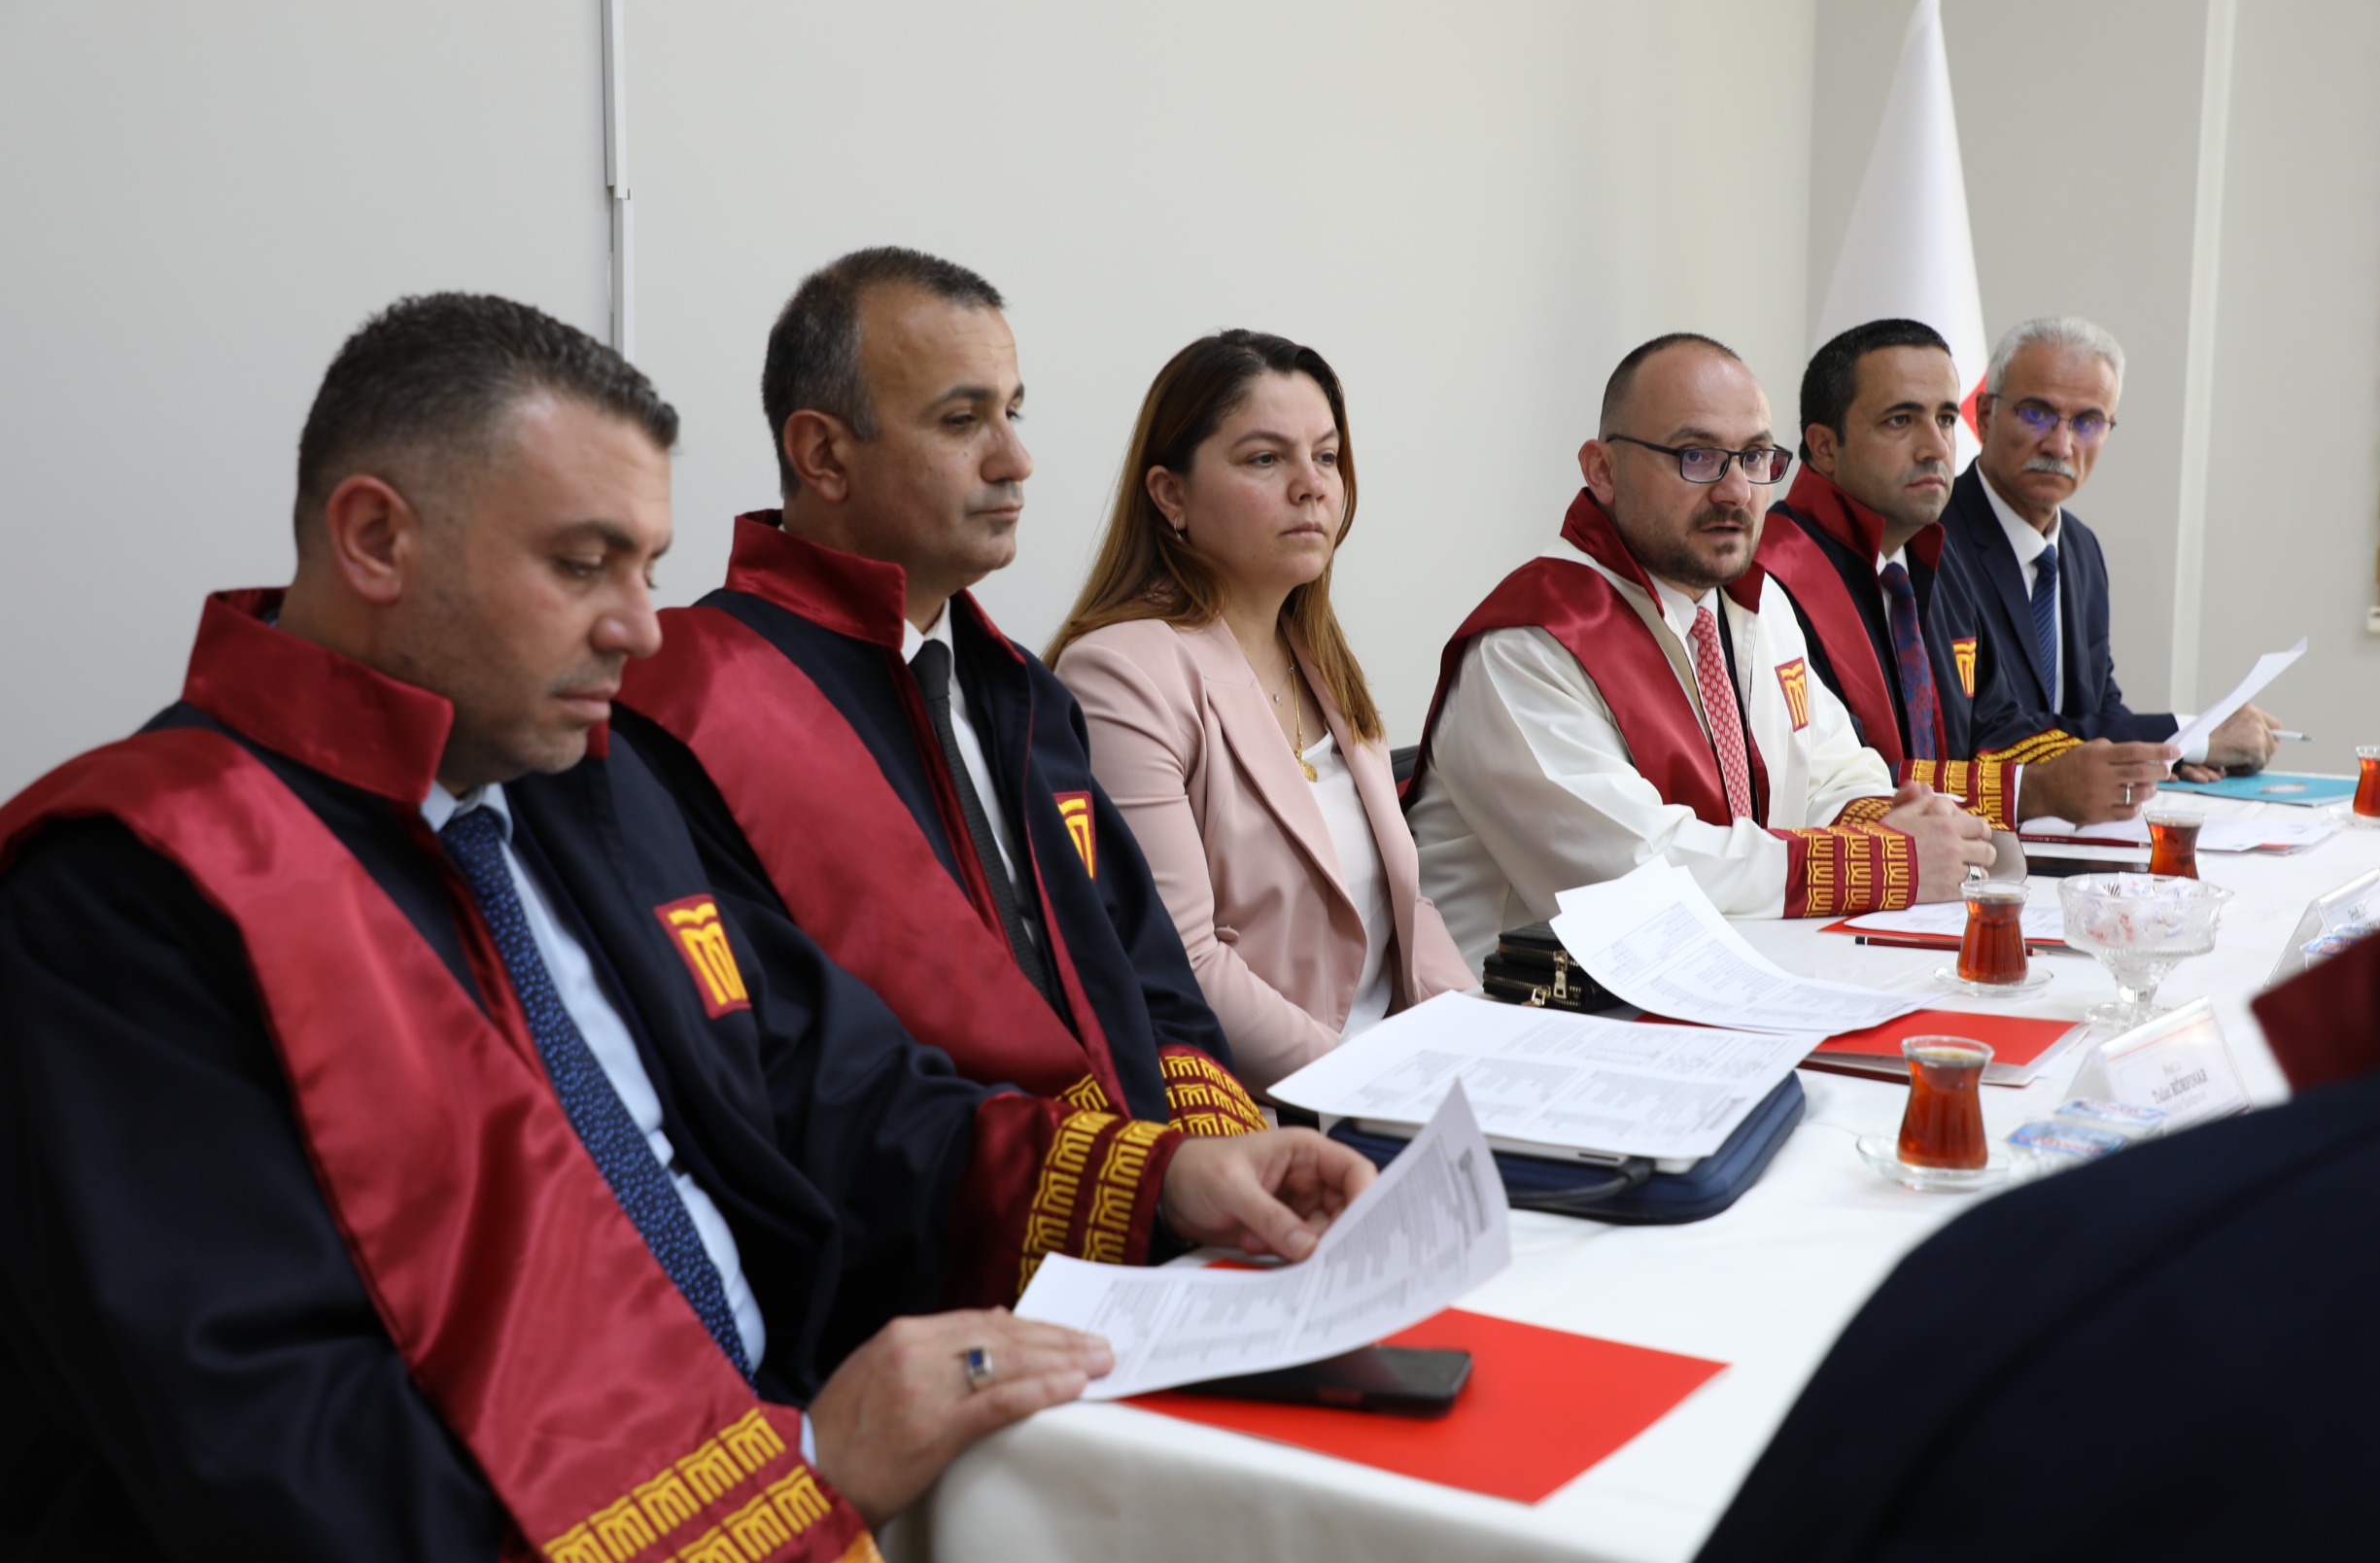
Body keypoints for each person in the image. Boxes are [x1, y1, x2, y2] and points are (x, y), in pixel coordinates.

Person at [0, 294, 1374, 1558]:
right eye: (581, 563)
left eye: (648, 566)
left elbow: (844, 1094)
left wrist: (1168, 1175)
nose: (642, 629)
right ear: (375, 540)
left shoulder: (575, 783)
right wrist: (807, 1464)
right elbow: (265, 1434)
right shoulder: (129, 890)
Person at [1693, 571, 2380, 1560]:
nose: (1741, 500)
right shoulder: (1796, 575)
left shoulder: (2038, 1297)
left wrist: (1914, 827)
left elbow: (1876, 770)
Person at [616, 249, 1263, 1139]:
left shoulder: (1024, 693)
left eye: (1012, 412)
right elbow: (788, 1060)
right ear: (823, 455)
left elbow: (1148, 974)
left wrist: (1213, 1156)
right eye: (963, 421)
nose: (1016, 460)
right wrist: (1138, 1179)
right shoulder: (690, 703)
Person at [1406, 332, 1997, 967]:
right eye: (1697, 456)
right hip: (1529, 1011)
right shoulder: (1529, 645)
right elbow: (1636, 875)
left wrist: (1891, 821)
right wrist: (1880, 862)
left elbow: (1828, 769)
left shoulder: (1756, 605)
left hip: (1724, 977)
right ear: (1602, 471)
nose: (1736, 491)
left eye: (1755, 457)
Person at [1045, 330, 1474, 1093]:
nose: (1312, 486)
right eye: (1266, 459)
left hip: (1394, 1087)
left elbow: (1408, 910)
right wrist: (1375, 1085)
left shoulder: (1321, 659)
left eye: (1327, 456)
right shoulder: (1119, 670)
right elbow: (1182, 962)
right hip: (1264, 1114)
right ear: (1171, 495)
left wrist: (1485, 1046)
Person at [1744, 318, 2175, 828]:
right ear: (1824, 447)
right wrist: (2031, 791)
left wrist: (2093, 765)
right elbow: (1837, 780)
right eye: (1901, 420)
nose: (1937, 448)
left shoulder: (1932, 553)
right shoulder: (1768, 578)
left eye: (1946, 419)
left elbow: (1992, 725)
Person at [1944, 315, 2281, 780]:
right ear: (1984, 415)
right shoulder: (1935, 540)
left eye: (2087, 422)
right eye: (2036, 413)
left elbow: (2100, 707)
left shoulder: (2080, 548)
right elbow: (1991, 731)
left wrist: (2164, 757)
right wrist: (2189, 736)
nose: (2060, 445)